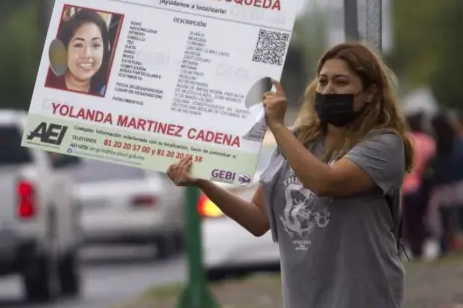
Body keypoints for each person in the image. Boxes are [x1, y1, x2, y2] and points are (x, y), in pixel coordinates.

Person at [167, 42, 414, 308]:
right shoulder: (299, 141)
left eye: (341, 82)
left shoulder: (385, 144)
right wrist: (203, 181)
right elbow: (258, 220)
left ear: (370, 93)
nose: (329, 89)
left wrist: (277, 126)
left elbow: (324, 182)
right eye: (323, 81)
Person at [424, 111, 463, 257]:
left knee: (443, 224)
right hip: (460, 188)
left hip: (442, 192)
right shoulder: (459, 144)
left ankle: (444, 248)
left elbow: (431, 171)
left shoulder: (435, 147)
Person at [46, 9, 111, 95]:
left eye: (95, 45)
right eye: (78, 45)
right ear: (65, 49)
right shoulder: (47, 82)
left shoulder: (105, 91)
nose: (87, 54)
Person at [401, 112, 436, 257]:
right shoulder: (429, 141)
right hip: (426, 186)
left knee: (410, 220)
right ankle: (421, 247)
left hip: (406, 187)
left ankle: (414, 249)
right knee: (422, 218)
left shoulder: (406, 141)